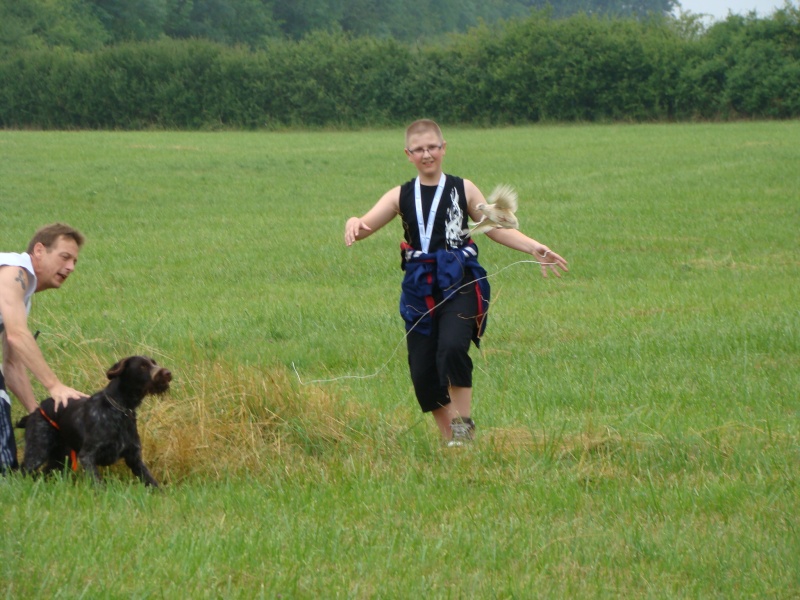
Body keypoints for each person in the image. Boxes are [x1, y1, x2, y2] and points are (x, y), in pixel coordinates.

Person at [344, 119, 568, 446]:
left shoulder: (463, 189)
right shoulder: (399, 195)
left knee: (451, 348)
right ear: (408, 154)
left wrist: (533, 245)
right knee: (422, 373)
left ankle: (463, 432)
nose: (427, 154)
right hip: (419, 289)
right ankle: (453, 442)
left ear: (443, 148)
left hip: (460, 281)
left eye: (432, 147)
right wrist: (353, 221)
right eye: (419, 149)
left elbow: (493, 227)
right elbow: (364, 227)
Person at [0, 223, 89, 472]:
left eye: (74, 261)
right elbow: (18, 335)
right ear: (39, 250)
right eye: (64, 257)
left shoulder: (22, 294)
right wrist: (54, 385)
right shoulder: (14, 273)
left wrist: (39, 416)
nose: (70, 267)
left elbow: (12, 366)